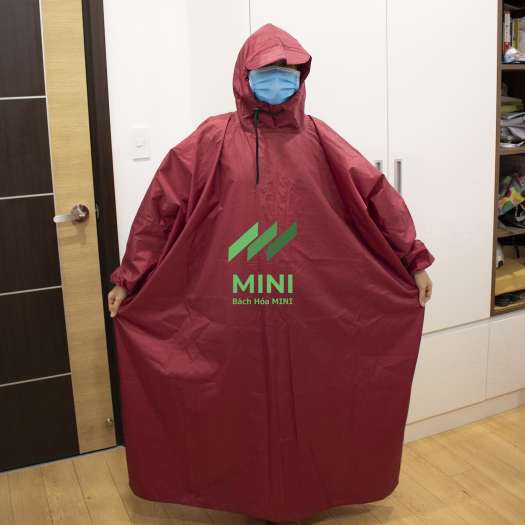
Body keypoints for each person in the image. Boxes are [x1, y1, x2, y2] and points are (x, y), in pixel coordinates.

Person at [107, 23, 434, 525]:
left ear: (302, 77)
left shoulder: (319, 138)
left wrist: (413, 259)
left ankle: (303, 495)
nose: (278, 80)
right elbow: (160, 207)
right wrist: (129, 278)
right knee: (240, 402)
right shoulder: (212, 139)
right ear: (245, 74)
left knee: (312, 398)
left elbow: (375, 194)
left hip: (309, 305)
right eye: (267, 70)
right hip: (230, 302)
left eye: (288, 70)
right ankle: (248, 498)